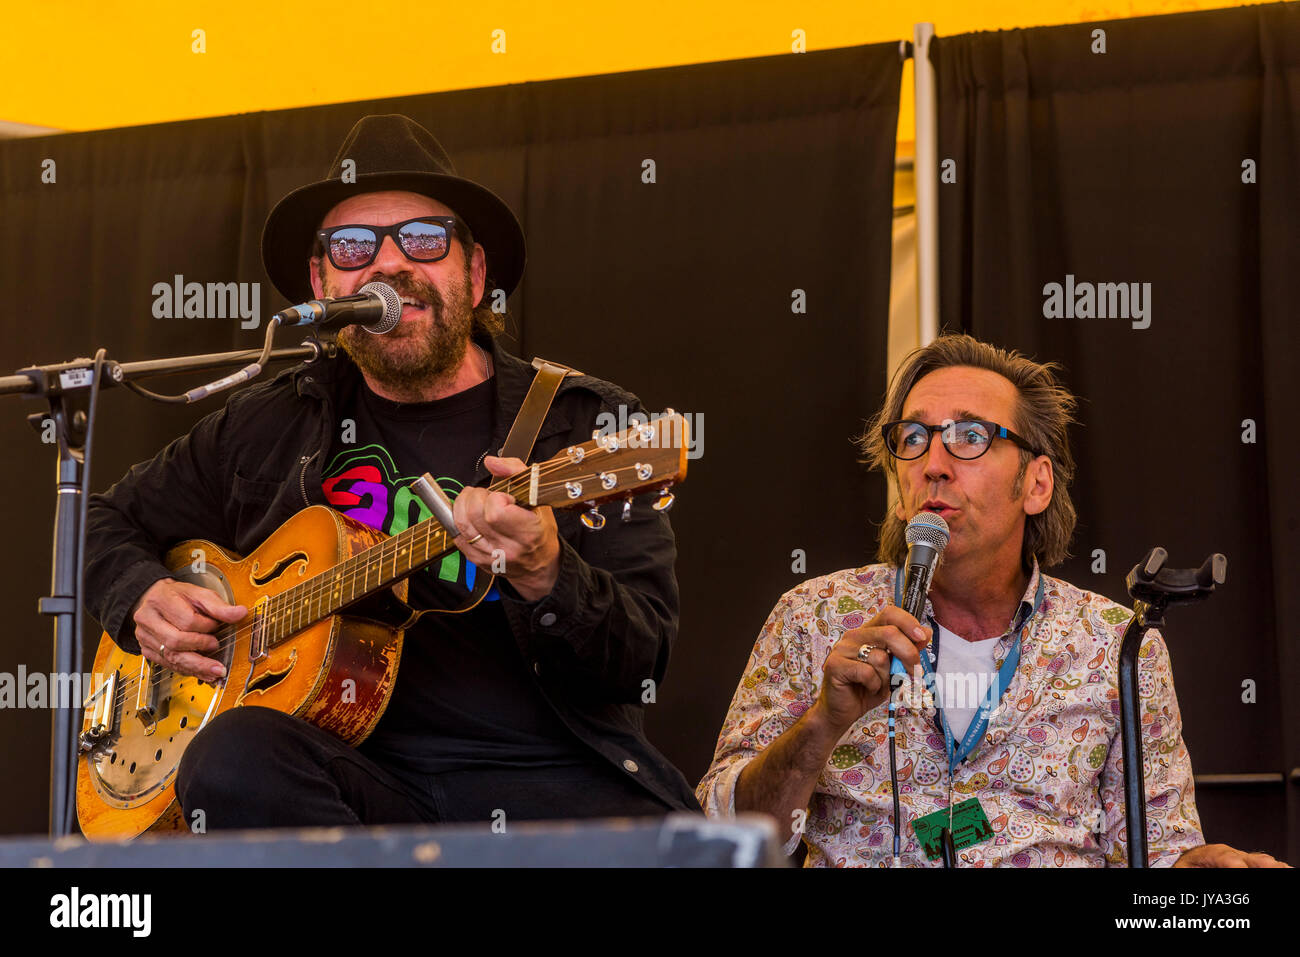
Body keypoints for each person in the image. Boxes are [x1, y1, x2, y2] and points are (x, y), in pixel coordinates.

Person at [84, 113, 700, 830]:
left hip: (545, 781)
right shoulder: (270, 424)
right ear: (321, 282)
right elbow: (102, 520)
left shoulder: (582, 423)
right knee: (228, 758)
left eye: (423, 239)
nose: (388, 264)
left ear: (474, 274)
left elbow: (642, 660)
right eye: (352, 247)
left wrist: (544, 569)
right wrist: (139, 596)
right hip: (357, 786)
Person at [697, 334, 1286, 867]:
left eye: (971, 437)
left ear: (1036, 484)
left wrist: (1199, 872)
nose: (933, 465)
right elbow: (725, 839)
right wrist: (823, 724)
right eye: (914, 438)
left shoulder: (1116, 645)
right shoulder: (815, 617)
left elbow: (1158, 854)